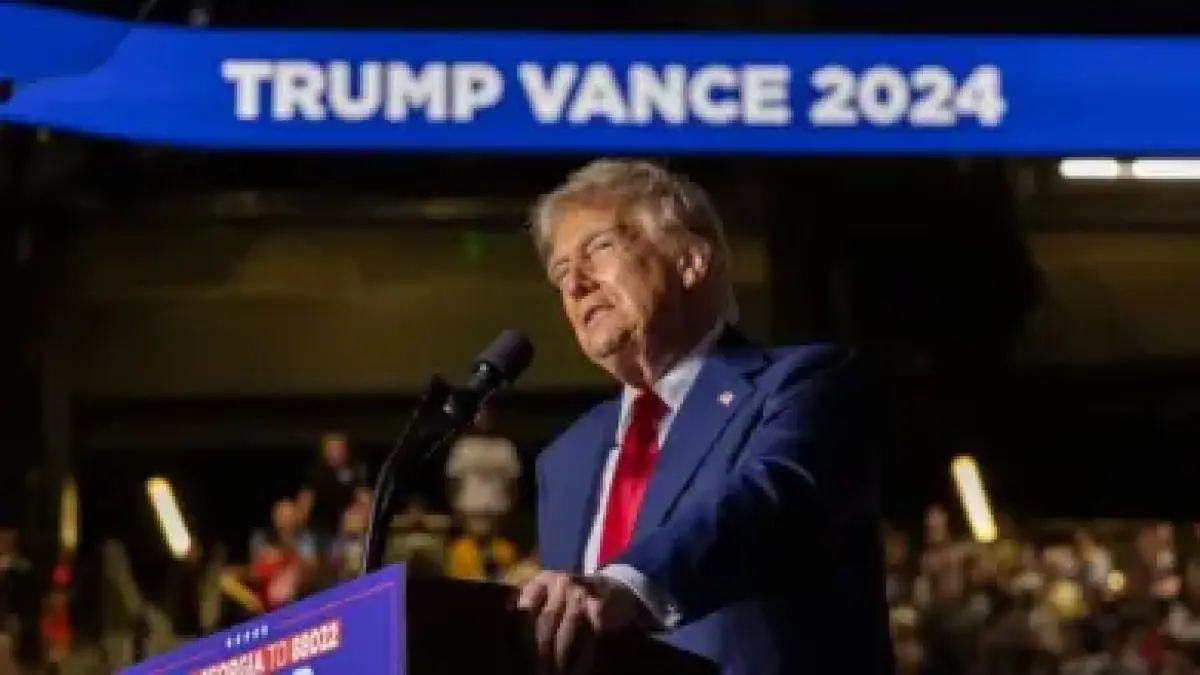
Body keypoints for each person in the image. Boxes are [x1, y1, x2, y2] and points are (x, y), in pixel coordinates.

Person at [516, 159, 893, 675]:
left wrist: (627, 585)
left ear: (691, 261)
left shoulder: (806, 384)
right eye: (561, 272)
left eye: (599, 248)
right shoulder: (565, 459)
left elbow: (766, 503)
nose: (576, 284)